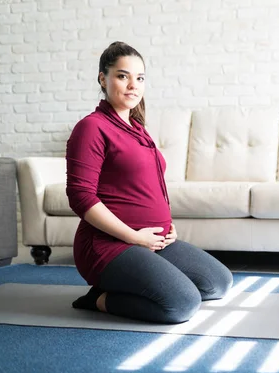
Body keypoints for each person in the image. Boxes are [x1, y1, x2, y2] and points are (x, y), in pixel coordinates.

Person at [66, 41, 233, 324]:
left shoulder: (139, 130)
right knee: (182, 304)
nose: (133, 85)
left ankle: (138, 279)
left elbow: (149, 186)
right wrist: (134, 237)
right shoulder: (92, 127)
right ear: (102, 78)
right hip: (108, 244)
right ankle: (99, 298)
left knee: (218, 282)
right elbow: (81, 196)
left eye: (140, 78)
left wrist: (168, 224)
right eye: (123, 76)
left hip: (153, 240)